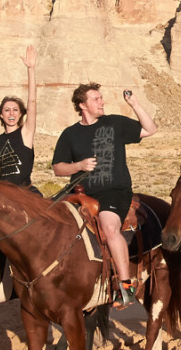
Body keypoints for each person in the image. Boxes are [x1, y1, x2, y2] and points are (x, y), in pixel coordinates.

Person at [52, 84, 157, 308]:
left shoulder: (115, 123)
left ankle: (126, 287)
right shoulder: (70, 134)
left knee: (109, 227)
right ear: (82, 105)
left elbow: (150, 129)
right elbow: (58, 168)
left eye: (101, 98)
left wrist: (135, 105)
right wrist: (78, 165)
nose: (101, 102)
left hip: (114, 191)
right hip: (80, 193)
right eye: (96, 99)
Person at [0, 45, 39, 191]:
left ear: (20, 114)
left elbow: (32, 103)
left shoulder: (26, 132)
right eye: (7, 110)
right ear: (1, 115)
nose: (11, 114)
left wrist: (30, 69)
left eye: (15, 110)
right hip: (3, 193)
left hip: (24, 192)